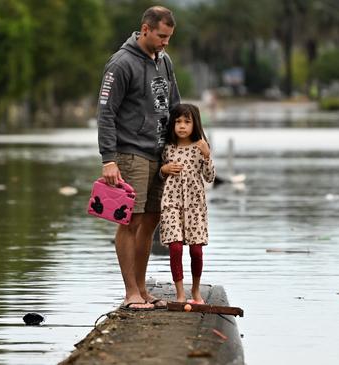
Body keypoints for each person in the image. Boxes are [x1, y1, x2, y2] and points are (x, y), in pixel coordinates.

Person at [97, 6, 181, 310]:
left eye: (169, 37)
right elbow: (105, 114)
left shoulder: (165, 61)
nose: (165, 42)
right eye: (161, 36)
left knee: (151, 220)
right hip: (129, 152)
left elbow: (175, 105)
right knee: (130, 221)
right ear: (145, 30)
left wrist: (188, 143)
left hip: (160, 153)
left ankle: (143, 290)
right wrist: (109, 159)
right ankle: (130, 292)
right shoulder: (120, 64)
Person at [159, 103, 215, 304]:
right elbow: (160, 173)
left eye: (187, 122)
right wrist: (164, 170)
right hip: (171, 203)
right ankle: (180, 293)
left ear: (195, 124)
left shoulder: (200, 147)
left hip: (195, 206)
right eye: (178, 122)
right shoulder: (167, 148)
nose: (182, 126)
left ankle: (196, 291)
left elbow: (210, 177)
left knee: (196, 251)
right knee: (175, 248)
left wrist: (207, 155)